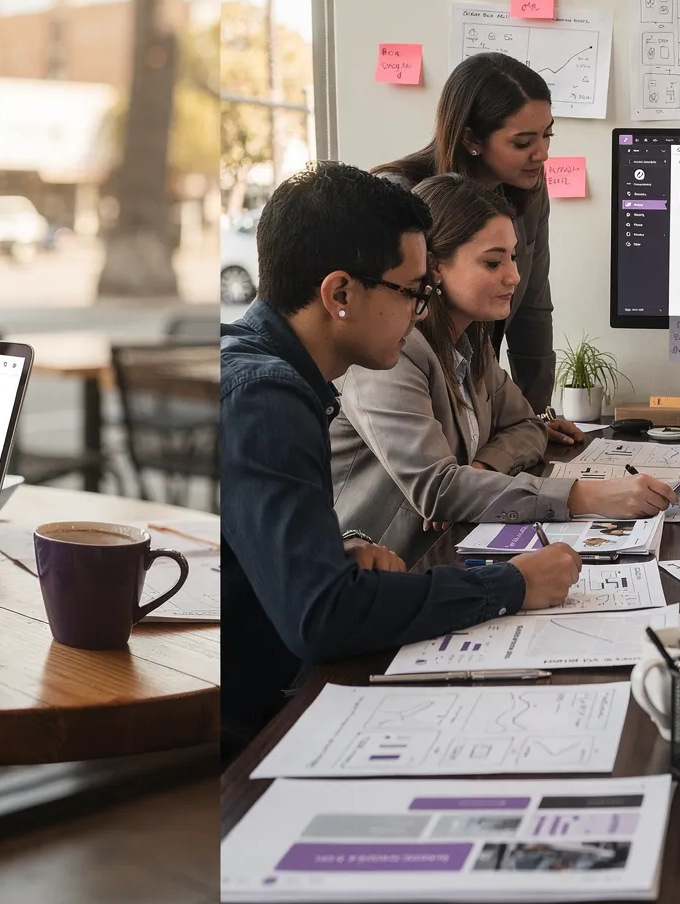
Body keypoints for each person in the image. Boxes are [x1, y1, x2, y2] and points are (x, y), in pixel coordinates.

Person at [222, 163, 583, 756]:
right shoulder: (266, 399)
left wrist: (331, 551)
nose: (421, 312)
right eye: (413, 292)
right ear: (340, 294)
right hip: (256, 728)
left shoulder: (271, 375)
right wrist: (508, 584)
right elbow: (323, 618)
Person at [331, 175, 675, 560]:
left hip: (450, 551)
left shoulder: (472, 338)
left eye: (513, 257)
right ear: (435, 266)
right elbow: (439, 491)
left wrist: (481, 467)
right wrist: (585, 495)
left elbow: (528, 426)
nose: (513, 276)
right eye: (493, 261)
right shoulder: (393, 353)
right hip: (386, 570)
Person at [376, 52, 567, 417]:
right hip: (405, 396)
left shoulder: (528, 192)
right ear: (471, 139)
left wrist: (534, 416)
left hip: (477, 389)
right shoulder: (397, 197)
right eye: (523, 143)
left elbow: (532, 309)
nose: (542, 154)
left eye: (547, 135)